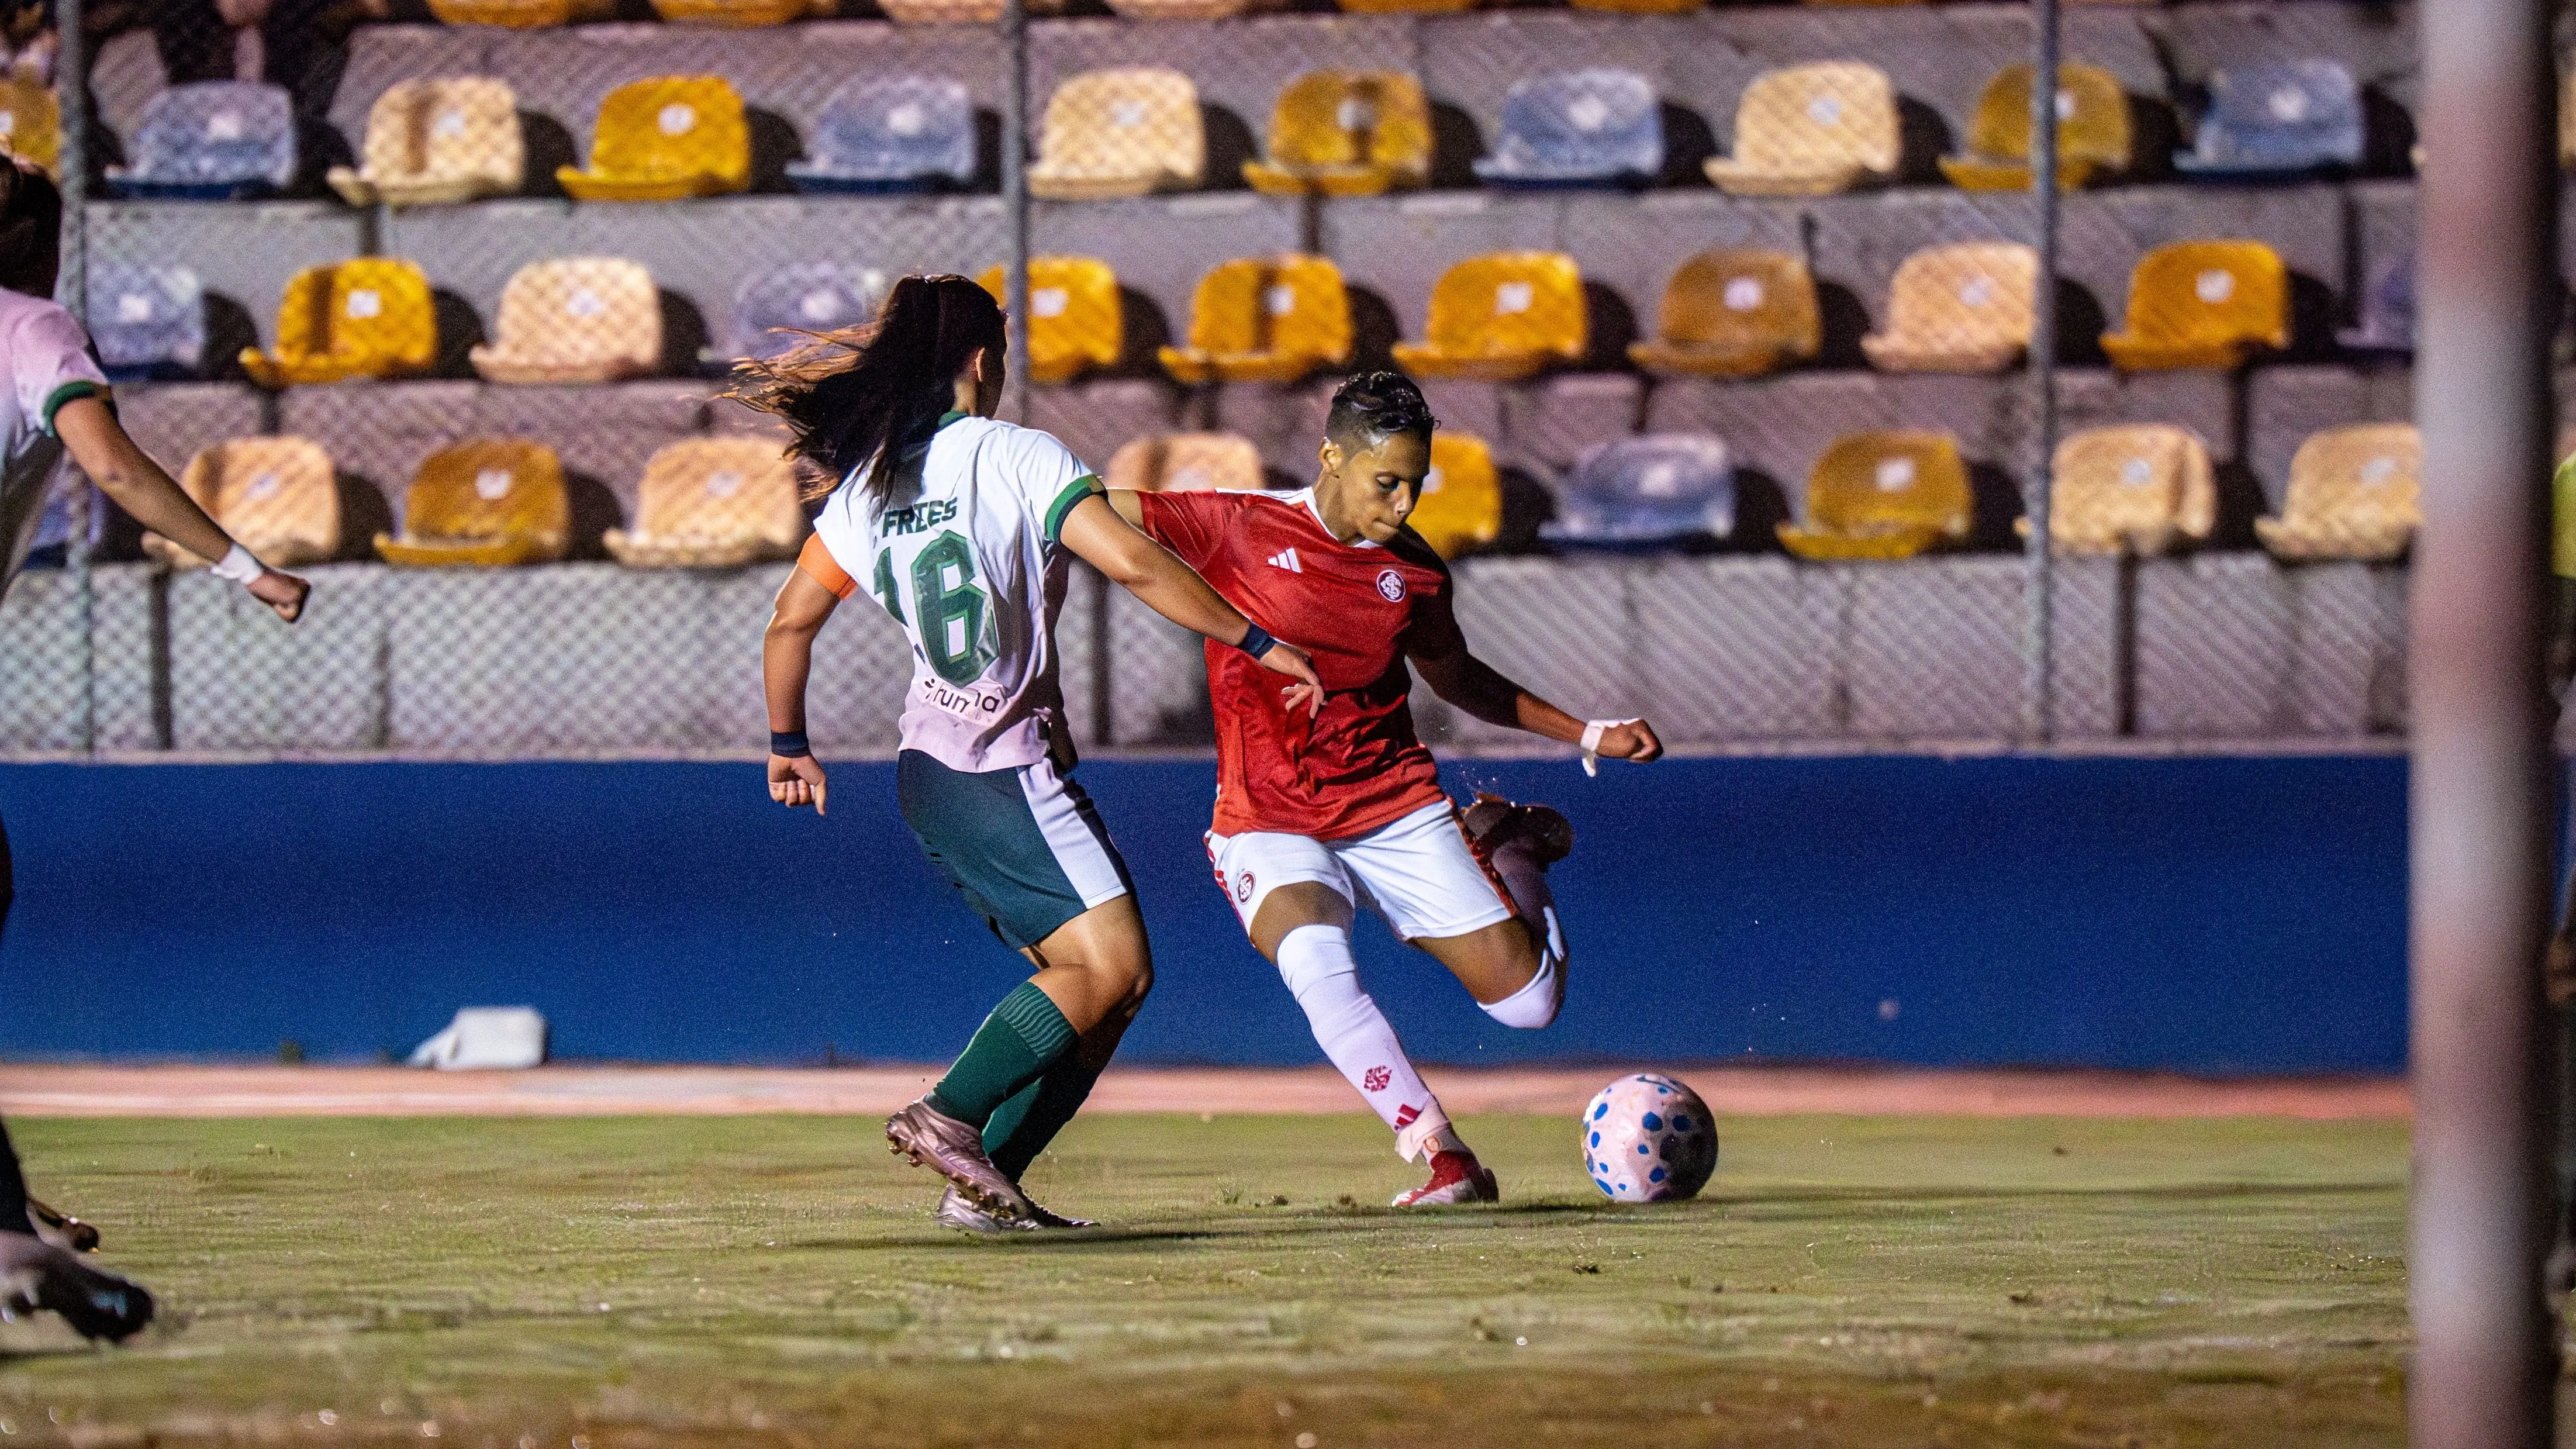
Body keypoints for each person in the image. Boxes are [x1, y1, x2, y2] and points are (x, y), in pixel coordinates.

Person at [743, 274, 1324, 1231]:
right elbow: (1131, 561)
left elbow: (789, 622)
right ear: (983, 360)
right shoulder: (1015, 453)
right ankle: (949, 1114)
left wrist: (788, 745)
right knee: (1109, 968)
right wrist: (1256, 638)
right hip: (996, 769)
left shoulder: (868, 487)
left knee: (1111, 987)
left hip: (933, 776)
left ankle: (986, 1186)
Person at [1107, 371, 1662, 1206]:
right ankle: (1445, 1157)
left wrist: (1585, 733)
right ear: (1332, 456)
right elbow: (1085, 508)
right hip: (1269, 818)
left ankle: (1506, 845)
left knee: (1530, 1005)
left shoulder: (1416, 573)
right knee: (1318, 967)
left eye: (1416, 483)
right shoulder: (1237, 524)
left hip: (1393, 805)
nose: (1403, 504)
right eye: (1387, 481)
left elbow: (1459, 678)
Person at [0, 159, 308, 1340]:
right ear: (38, 245)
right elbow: (114, 466)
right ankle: (8, 1240)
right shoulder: (33, 327)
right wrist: (246, 566)